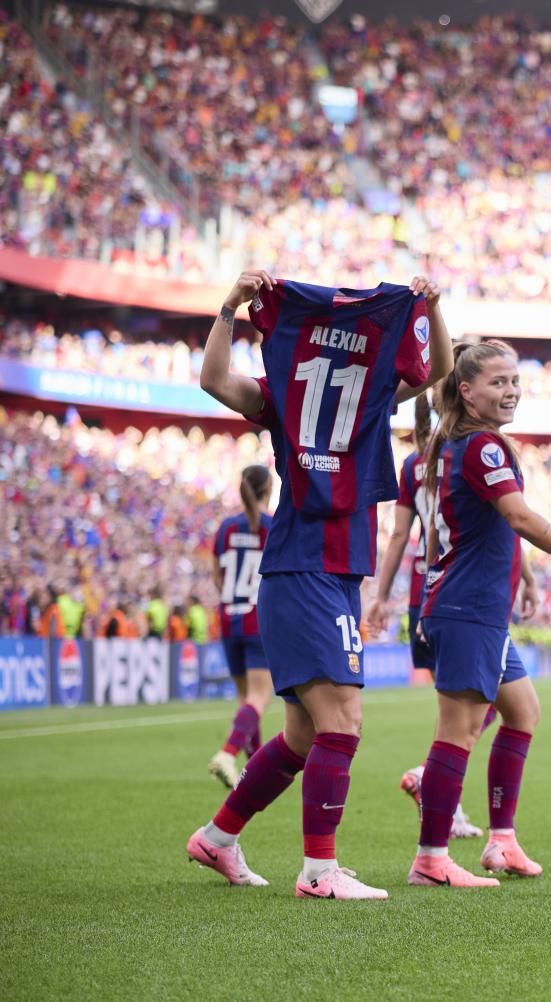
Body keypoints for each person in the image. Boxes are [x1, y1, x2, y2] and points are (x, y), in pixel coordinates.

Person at [185, 268, 450, 900]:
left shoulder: (366, 388)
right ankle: (318, 871)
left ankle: (218, 838)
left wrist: (433, 309)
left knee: (305, 734)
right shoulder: (293, 393)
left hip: (331, 573)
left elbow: (437, 371)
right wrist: (228, 306)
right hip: (304, 567)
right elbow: (214, 380)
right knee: (343, 723)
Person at [392, 340, 551, 887]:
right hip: (465, 607)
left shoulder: (454, 447)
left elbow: (487, 528)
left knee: (521, 712)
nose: (511, 390)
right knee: (458, 732)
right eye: (497, 382)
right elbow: (518, 518)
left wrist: (524, 575)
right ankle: (430, 858)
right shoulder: (482, 448)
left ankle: (501, 841)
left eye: (514, 380)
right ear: (466, 392)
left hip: (473, 607)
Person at [367, 390, 488, 839]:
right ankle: (436, 789)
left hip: (426, 592)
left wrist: (382, 594)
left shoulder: (412, 466)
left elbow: (401, 534)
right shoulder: (463, 455)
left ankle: (437, 787)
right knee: (468, 707)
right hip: (458, 592)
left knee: (471, 704)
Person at [207, 464, 275, 789]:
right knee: (261, 697)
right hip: (258, 617)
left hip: (228, 615)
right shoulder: (273, 527)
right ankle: (227, 753)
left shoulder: (225, 528)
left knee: (245, 698)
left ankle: (256, 771)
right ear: (268, 490)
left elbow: (217, 576)